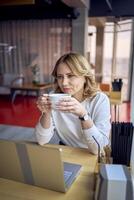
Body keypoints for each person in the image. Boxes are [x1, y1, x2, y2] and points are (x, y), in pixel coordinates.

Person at [35, 52, 111, 155]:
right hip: (66, 153)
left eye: (70, 76)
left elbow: (98, 148)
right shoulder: (54, 97)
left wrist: (83, 115)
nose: (64, 83)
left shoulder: (99, 100)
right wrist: (46, 113)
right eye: (60, 77)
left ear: (85, 77)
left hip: (91, 155)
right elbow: (41, 140)